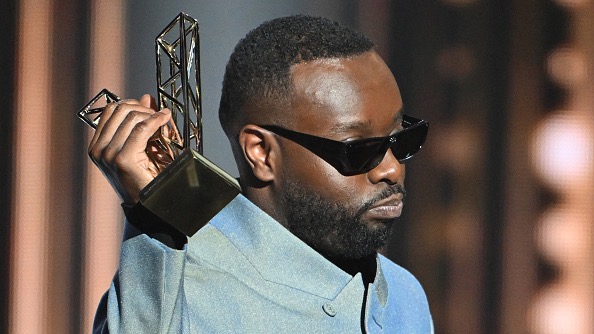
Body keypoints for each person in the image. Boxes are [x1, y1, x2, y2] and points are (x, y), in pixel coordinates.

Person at [90, 15, 433, 333]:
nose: (392, 169)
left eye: (404, 138)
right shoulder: (178, 296)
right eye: (358, 150)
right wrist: (153, 218)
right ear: (261, 152)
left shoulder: (405, 296)